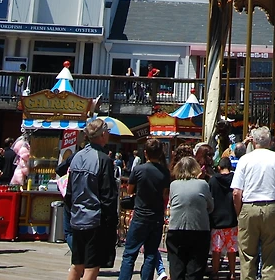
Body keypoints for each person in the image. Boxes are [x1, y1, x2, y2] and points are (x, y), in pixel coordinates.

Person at [231, 126, 275, 280]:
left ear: (253, 141)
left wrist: (240, 213)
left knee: (247, 256)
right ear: (270, 141)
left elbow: (236, 192)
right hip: (273, 207)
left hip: (248, 207)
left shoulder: (245, 159)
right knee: (271, 257)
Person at [67, 118, 117, 280]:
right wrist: (111, 222)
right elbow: (108, 196)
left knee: (77, 264)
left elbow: (69, 192)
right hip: (95, 219)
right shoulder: (103, 159)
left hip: (77, 216)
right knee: (92, 267)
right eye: (107, 132)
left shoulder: (76, 157)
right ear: (102, 135)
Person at [118, 137, 171, 280]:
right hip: (156, 216)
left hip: (140, 215)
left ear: (145, 153)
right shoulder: (165, 172)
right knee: (151, 254)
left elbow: (129, 190)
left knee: (130, 253)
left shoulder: (139, 170)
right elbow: (165, 194)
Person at [168, 156, 213, 280]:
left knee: (177, 268)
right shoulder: (203, 184)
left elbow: (172, 203)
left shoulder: (173, 185)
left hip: (176, 229)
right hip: (199, 229)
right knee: (195, 270)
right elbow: (210, 206)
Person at [208, 156, 238, 280]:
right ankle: (232, 273)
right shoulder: (235, 179)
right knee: (232, 249)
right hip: (232, 218)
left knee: (216, 248)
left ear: (219, 167)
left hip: (216, 219)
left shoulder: (213, 180)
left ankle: (215, 272)